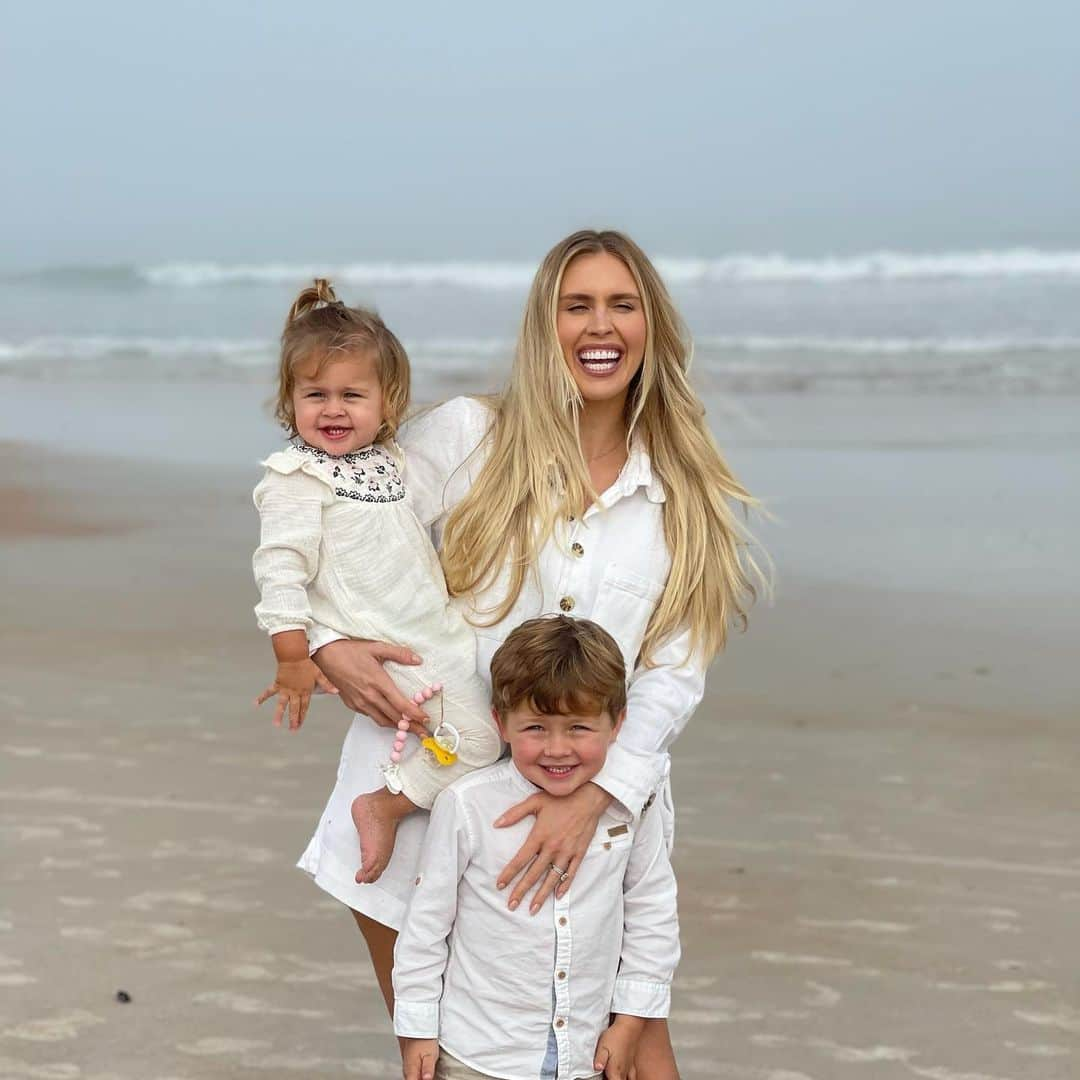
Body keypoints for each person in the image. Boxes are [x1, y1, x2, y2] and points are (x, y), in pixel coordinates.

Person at [308, 229, 765, 1076]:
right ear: (544, 324)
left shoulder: (682, 490)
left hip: (584, 804)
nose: (602, 326)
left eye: (623, 305)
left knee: (633, 1050)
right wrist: (329, 646)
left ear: (652, 325)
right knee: (450, 1058)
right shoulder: (475, 436)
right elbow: (342, 519)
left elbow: (673, 673)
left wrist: (599, 796)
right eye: (577, 305)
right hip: (416, 797)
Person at [252, 279, 502, 882]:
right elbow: (280, 567)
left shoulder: (391, 465)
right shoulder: (296, 479)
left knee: (494, 726)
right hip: (385, 641)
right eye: (315, 394)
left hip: (434, 629)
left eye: (352, 395)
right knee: (483, 743)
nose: (333, 409)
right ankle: (385, 805)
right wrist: (293, 657)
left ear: (387, 404)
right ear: (290, 402)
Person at [394, 615, 679, 1080]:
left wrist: (628, 1024)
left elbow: (652, 915)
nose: (557, 748)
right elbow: (426, 927)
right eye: (535, 729)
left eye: (579, 729)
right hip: (479, 1054)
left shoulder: (632, 808)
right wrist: (417, 1029)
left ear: (618, 724)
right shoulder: (467, 806)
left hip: (584, 1054)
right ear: (500, 724)